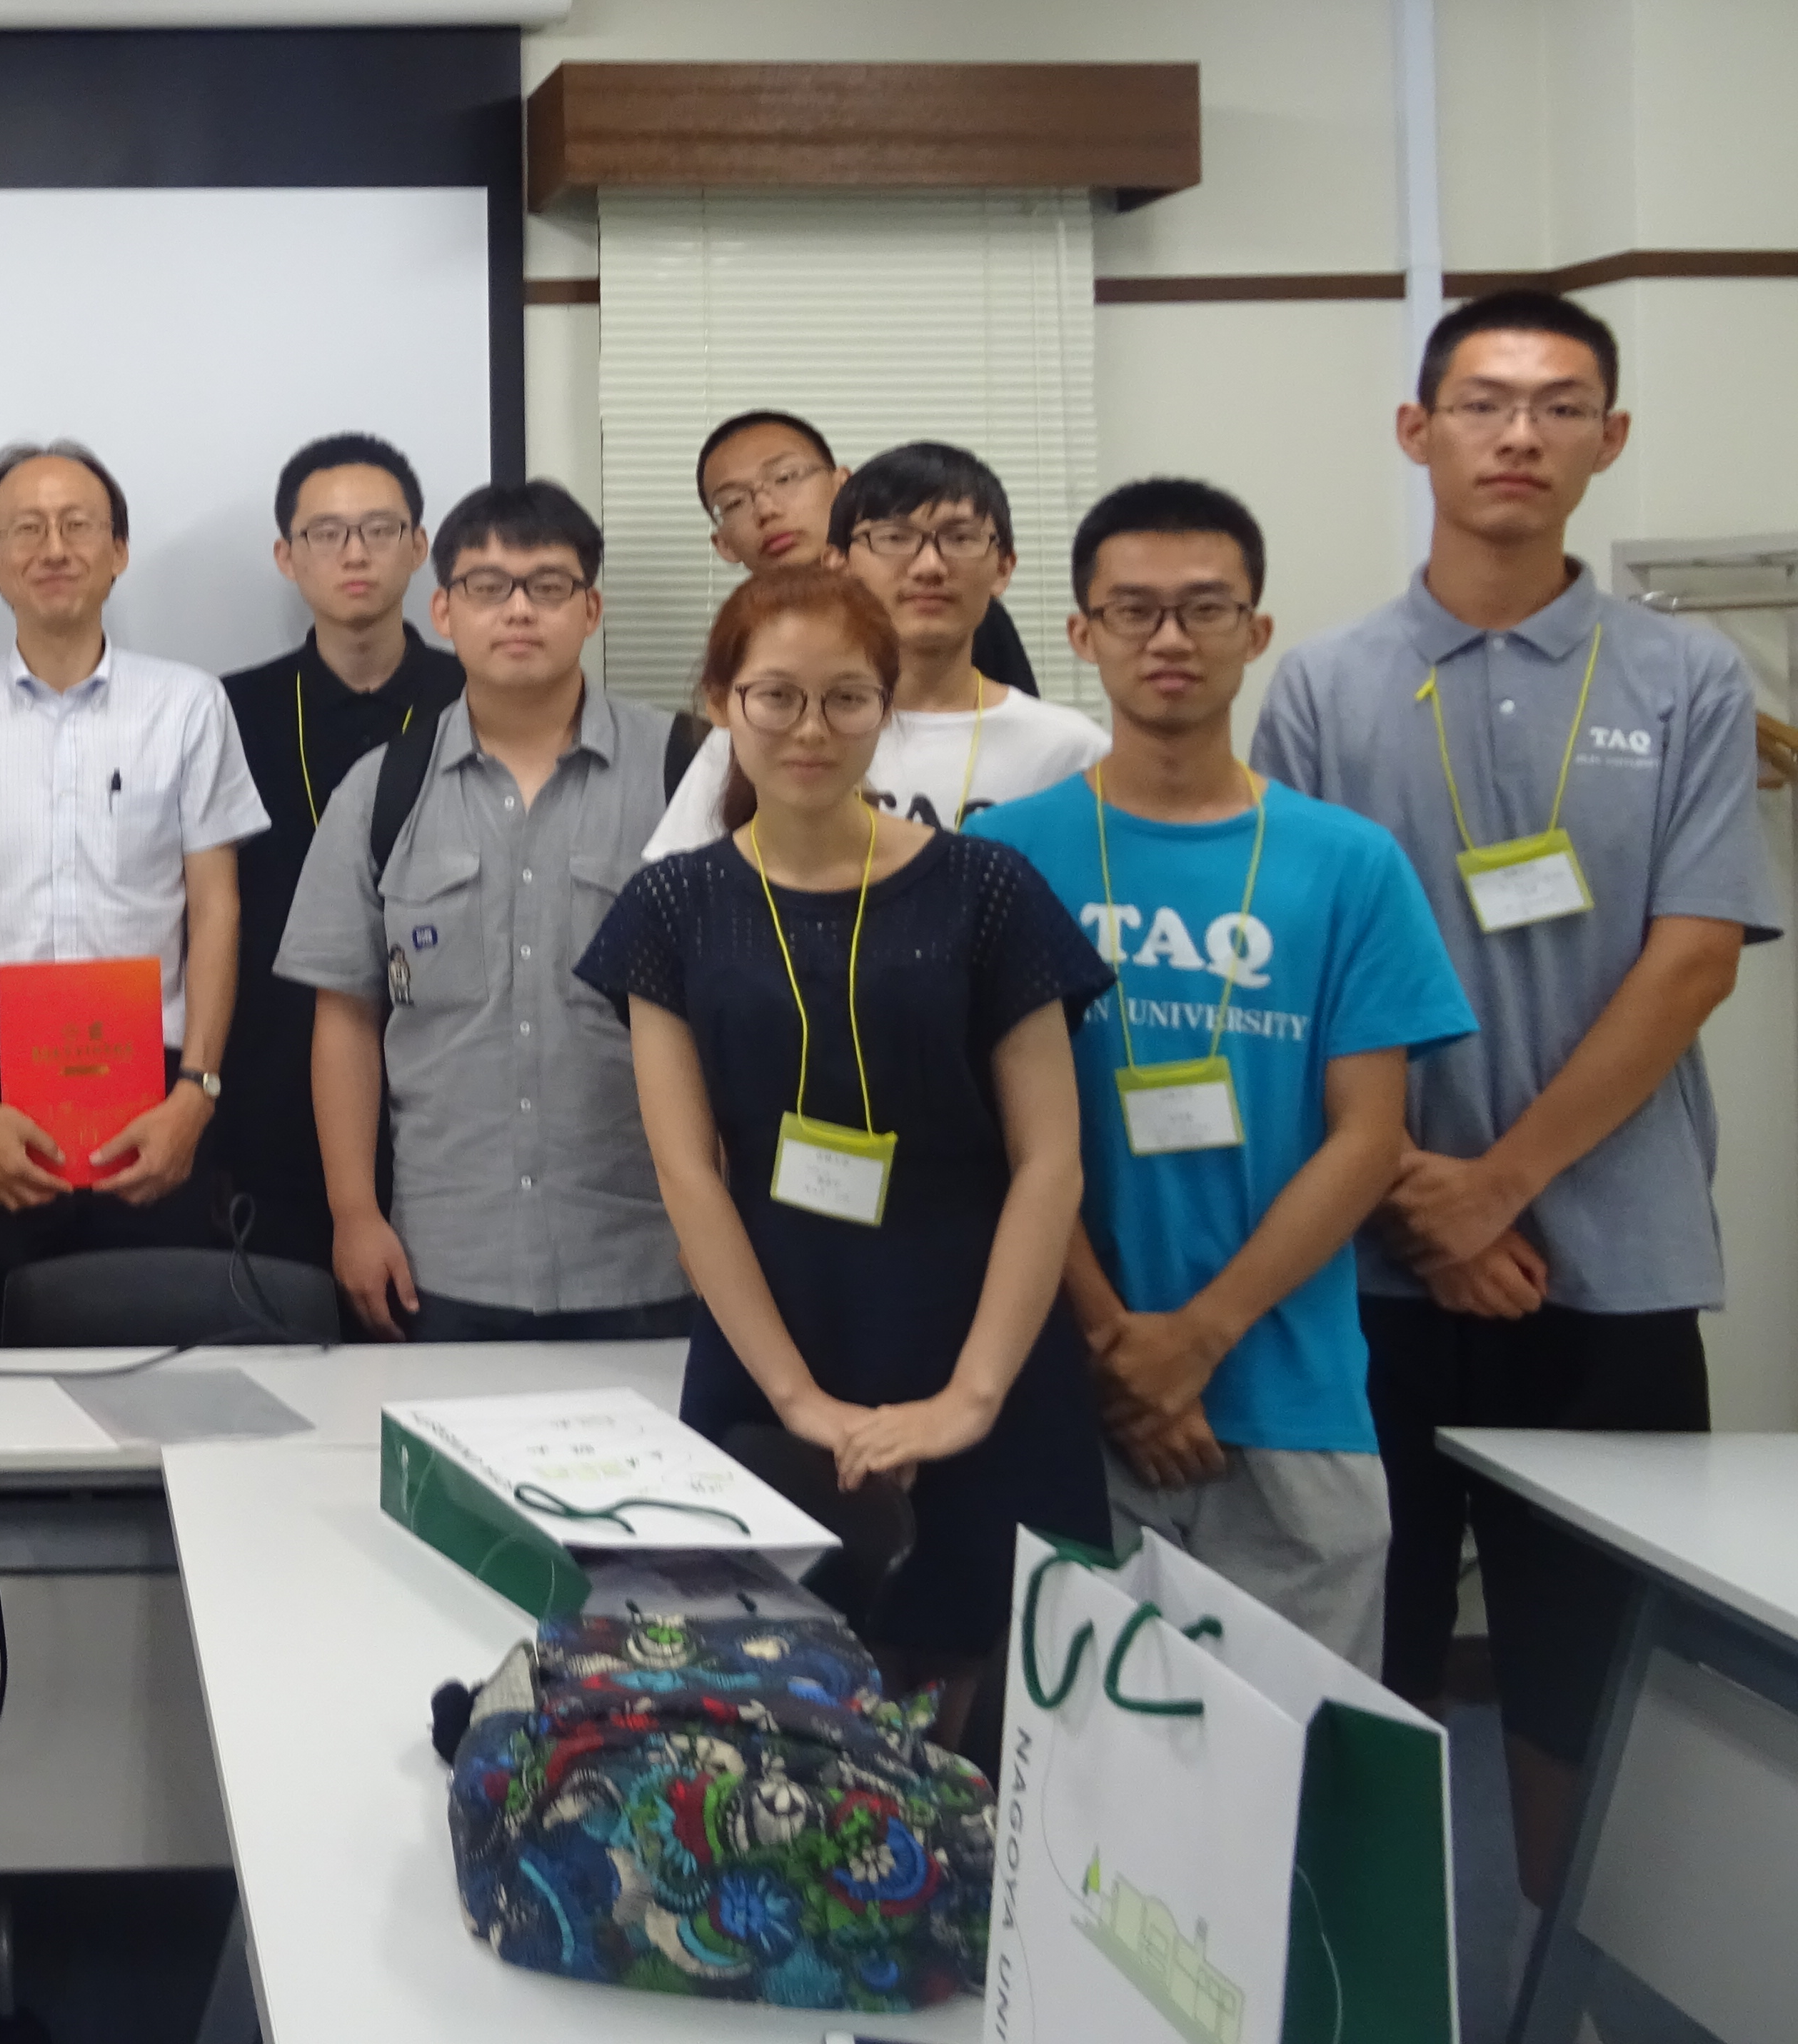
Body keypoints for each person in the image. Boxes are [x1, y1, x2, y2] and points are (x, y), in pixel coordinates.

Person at [1254, 289, 1775, 1905]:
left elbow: (1691, 959)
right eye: (1481, 402)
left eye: (1557, 405)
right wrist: (1425, 1193)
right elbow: (1294, 981)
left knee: (1593, 1671)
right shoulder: (1319, 686)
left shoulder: (1685, 677)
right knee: (1362, 1648)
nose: (1517, 434)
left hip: (1612, 1263)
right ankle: (1368, 1985)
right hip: (1366, 1263)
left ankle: (1573, 1988)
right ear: (1414, 431)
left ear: (1605, 440)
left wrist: (1497, 1184)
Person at [575, 564, 1111, 1729]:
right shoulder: (670, 907)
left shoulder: (986, 888)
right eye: (775, 696)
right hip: (773, 1336)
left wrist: (969, 1397)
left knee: (977, 1727)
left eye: (846, 698)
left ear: (886, 705)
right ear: (721, 702)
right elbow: (687, 1173)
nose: (809, 729)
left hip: (977, 1334)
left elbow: (1049, 1163)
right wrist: (800, 1400)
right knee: (752, 1710)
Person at [969, 480, 1474, 1673]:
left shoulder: (1348, 863)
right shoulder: (1000, 858)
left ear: (1255, 632)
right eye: (1132, 610)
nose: (1169, 638)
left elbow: (1366, 1137)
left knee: (1300, 1757)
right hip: (1066, 1389)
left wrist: (1198, 1337)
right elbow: (994, 1139)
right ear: (1080, 632)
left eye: (1204, 608)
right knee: (1076, 1761)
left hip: (1288, 1392)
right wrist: (1119, 1345)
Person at [273, 481, 685, 1341]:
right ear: (445, 610)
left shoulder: (688, 773)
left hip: (658, 1251)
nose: (519, 610)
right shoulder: (381, 791)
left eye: (549, 585)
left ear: (592, 608)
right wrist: (353, 1214)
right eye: (488, 587)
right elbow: (346, 1019)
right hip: (445, 1259)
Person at [0, 441, 272, 1345]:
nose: (54, 548)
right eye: (26, 529)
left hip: (156, 1086)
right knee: (2, 1357)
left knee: (158, 1362)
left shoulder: (188, 706)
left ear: (118, 550)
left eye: (78, 525)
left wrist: (197, 1093)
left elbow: (216, 907)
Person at [218, 433, 463, 1268]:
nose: (354, 554)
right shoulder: (226, 712)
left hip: (449, 1083)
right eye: (326, 533)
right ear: (287, 556)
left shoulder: (476, 701)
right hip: (269, 1090)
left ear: (420, 547)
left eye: (380, 529)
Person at [650, 440, 1105, 853]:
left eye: (960, 538)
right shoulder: (764, 729)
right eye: (894, 538)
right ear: (839, 564)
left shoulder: (1069, 750)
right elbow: (675, 895)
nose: (930, 566)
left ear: (1003, 568)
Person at [697, 408, 1041, 696]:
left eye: (786, 478)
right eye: (734, 502)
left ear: (842, 484)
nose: (766, 509)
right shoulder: (745, 636)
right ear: (723, 545)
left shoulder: (937, 603)